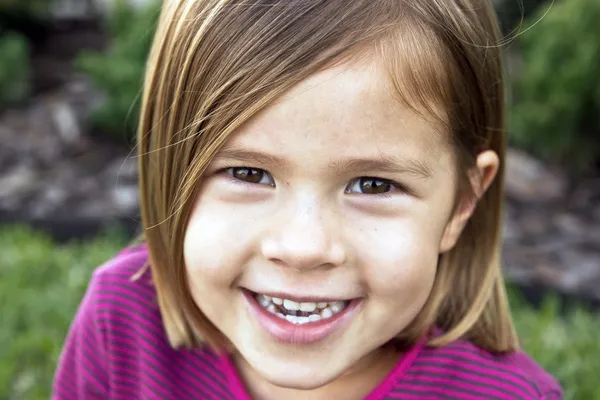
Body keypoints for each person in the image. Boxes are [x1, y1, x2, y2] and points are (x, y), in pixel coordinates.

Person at [52, 0, 563, 399]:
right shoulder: (122, 323)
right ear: (170, 170)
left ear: (461, 204)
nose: (302, 247)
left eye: (373, 185)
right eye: (248, 173)